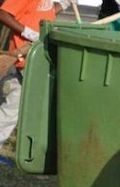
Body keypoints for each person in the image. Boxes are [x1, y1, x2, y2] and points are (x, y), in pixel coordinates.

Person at [0, 0, 70, 154]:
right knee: (9, 112)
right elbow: (3, 13)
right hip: (21, 58)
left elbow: (40, 13)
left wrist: (61, 6)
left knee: (13, 111)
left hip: (33, 60)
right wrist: (28, 33)